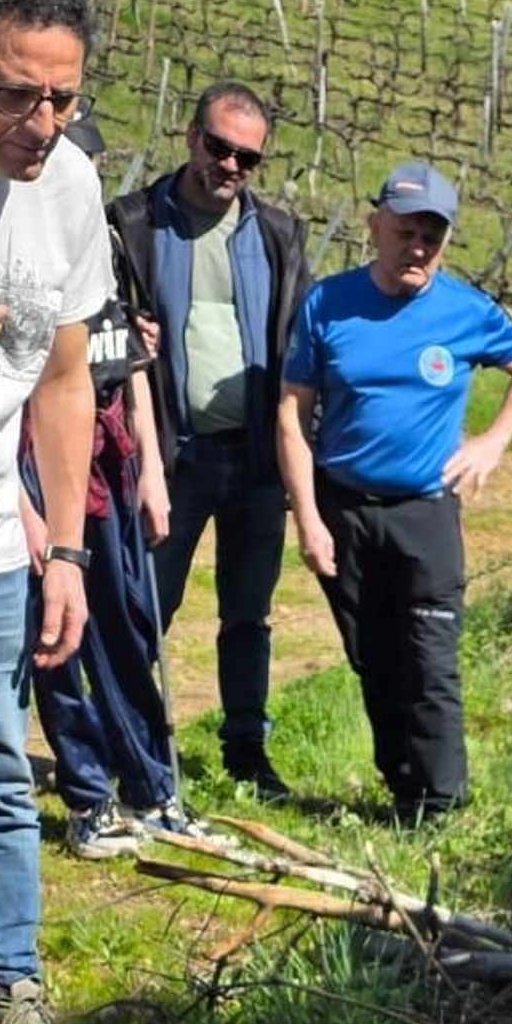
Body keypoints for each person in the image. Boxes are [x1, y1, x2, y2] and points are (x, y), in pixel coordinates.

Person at [276, 163, 512, 823]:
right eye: (406, 232)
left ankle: (443, 803)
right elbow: (290, 412)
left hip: (425, 512)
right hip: (343, 508)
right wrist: (308, 518)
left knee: (429, 659)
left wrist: (492, 442)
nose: (418, 247)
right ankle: (404, 793)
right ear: (376, 228)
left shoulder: (464, 310)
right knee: (373, 656)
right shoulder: (328, 303)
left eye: (432, 235)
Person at [0, 0, 109, 1024]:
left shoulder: (69, 188)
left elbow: (66, 380)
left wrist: (65, 547)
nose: (42, 119)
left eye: (61, 94)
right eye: (13, 92)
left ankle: (9, 985)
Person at [109, 80, 305, 800]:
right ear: (191, 137)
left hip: (254, 457)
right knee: (146, 607)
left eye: (246, 158)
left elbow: (297, 344)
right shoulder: (132, 223)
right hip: (170, 454)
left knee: (248, 611)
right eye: (219, 148)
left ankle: (246, 752)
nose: (229, 166)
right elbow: (99, 327)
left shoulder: (279, 234)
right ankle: (128, 741)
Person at [20, 112, 205, 856]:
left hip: (113, 462)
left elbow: (131, 367)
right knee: (60, 636)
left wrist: (153, 473)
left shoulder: (110, 242)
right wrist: (27, 507)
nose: (81, 174)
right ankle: (88, 796)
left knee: (126, 623)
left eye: (90, 162)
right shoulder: (20, 247)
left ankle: (150, 785)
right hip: (41, 462)